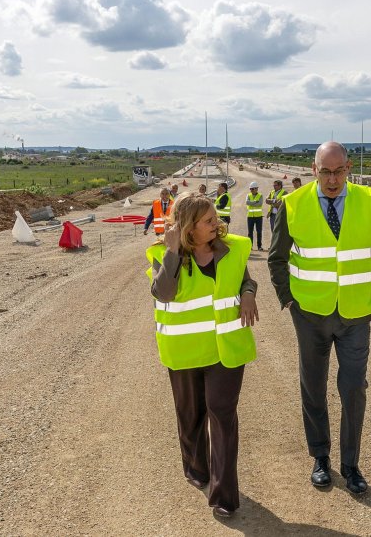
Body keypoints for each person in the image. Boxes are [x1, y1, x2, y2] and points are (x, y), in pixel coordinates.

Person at [267, 141, 371, 496]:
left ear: (349, 167)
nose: (333, 180)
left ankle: (350, 464)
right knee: (314, 386)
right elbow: (276, 259)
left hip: (355, 313)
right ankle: (320, 457)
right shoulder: (291, 204)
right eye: (326, 172)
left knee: (354, 388)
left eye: (339, 171)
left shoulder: (370, 202)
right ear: (314, 170)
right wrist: (289, 301)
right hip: (309, 313)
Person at [146, 192, 259, 520]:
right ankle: (196, 468)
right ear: (188, 228)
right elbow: (163, 292)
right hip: (184, 351)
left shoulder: (232, 248)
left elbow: (245, 279)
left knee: (222, 416)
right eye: (208, 221)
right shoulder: (162, 254)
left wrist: (249, 294)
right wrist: (171, 251)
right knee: (190, 413)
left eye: (215, 218)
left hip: (225, 350)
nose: (217, 224)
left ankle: (224, 495)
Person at [245, 181, 265, 250]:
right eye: (251, 189)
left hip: (258, 217)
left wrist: (251, 203)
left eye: (253, 189)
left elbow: (259, 204)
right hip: (250, 216)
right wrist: (255, 202)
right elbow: (247, 202)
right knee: (250, 232)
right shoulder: (248, 195)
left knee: (259, 232)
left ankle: (259, 246)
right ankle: (250, 246)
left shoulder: (260, 195)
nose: (252, 190)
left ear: (256, 189)